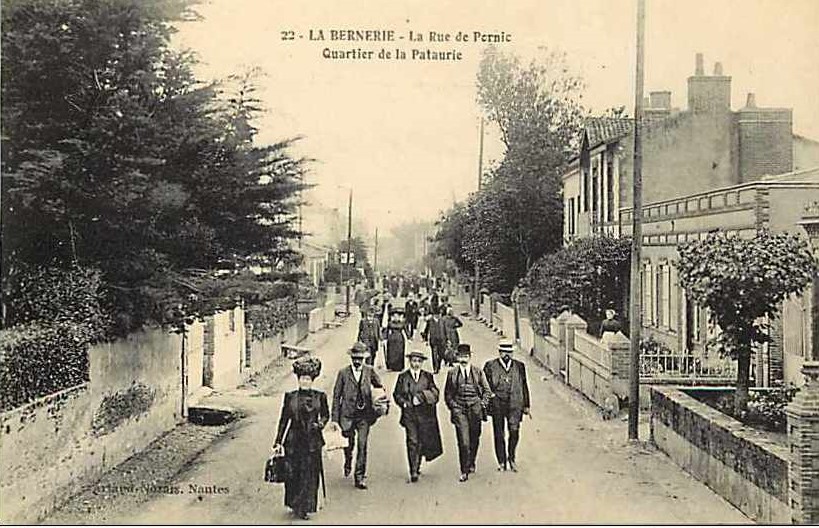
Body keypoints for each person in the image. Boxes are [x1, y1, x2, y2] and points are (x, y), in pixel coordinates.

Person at [273, 356, 329, 520]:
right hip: (293, 441)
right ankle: (294, 503)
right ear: (298, 380)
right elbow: (284, 420)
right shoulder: (290, 397)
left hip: (312, 441)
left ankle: (305, 507)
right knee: (293, 474)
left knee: (309, 475)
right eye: (302, 379)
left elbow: (326, 415)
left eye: (308, 379)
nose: (305, 382)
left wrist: (320, 424)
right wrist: (278, 441)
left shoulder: (320, 396)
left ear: (312, 380)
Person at [331, 342, 384, 490]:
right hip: (347, 415)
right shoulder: (343, 373)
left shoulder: (369, 371)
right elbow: (336, 397)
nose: (357, 361)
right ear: (351, 358)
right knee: (349, 444)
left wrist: (379, 402)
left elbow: (379, 388)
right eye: (354, 358)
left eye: (360, 358)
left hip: (364, 416)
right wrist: (334, 419)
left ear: (365, 358)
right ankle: (348, 460)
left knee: (362, 444)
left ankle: (359, 476)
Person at [392, 350, 444, 483]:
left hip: (425, 415)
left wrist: (422, 397)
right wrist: (403, 403)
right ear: (410, 362)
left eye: (418, 361)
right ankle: (413, 470)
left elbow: (435, 393)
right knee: (412, 441)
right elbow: (396, 394)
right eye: (414, 361)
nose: (416, 364)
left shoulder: (427, 377)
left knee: (421, 441)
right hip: (409, 414)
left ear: (422, 363)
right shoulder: (403, 377)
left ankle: (417, 463)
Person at [444, 344, 492, 482]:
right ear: (457, 357)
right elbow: (448, 394)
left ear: (470, 357)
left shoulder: (478, 372)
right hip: (460, 410)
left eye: (466, 356)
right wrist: (453, 407)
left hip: (475, 410)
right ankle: (464, 470)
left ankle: (471, 461)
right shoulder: (452, 373)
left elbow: (487, 391)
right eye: (461, 356)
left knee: (474, 438)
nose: (463, 359)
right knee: (463, 441)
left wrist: (482, 404)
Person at [483, 340, 531, 473]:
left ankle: (511, 458)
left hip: (515, 404)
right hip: (497, 404)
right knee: (499, 433)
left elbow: (524, 386)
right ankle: (501, 461)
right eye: (504, 351)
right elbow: (484, 386)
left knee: (514, 432)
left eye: (509, 352)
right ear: (499, 352)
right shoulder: (490, 366)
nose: (507, 354)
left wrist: (526, 404)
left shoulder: (519, 366)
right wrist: (486, 403)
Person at [422, 307, 447, 374]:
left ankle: (438, 365)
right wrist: (425, 339)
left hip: (442, 340)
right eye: (436, 315)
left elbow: (445, 330)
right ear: (433, 315)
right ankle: (435, 368)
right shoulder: (430, 321)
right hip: (433, 341)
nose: (438, 316)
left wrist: (447, 339)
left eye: (439, 314)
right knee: (434, 354)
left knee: (441, 354)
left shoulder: (442, 321)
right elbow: (426, 330)